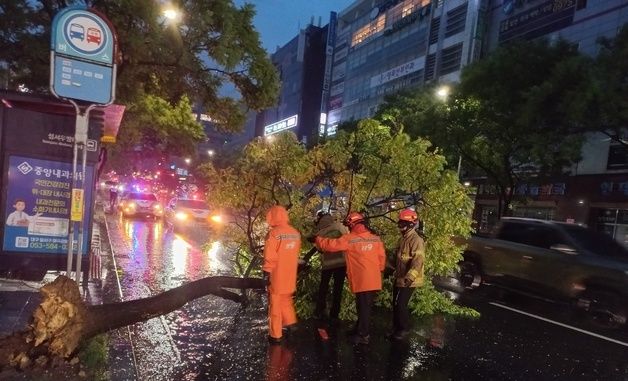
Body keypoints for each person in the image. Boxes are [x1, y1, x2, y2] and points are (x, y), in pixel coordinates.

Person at [313, 212, 385, 345]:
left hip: (362, 279)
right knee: (364, 305)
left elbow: (331, 245)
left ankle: (363, 335)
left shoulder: (350, 239)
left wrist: (317, 239)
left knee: (363, 307)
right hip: (373, 278)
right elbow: (381, 259)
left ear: (352, 224)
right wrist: (377, 271)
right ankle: (359, 329)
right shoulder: (375, 239)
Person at [262, 205, 302, 344]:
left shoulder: (274, 233)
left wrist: (266, 272)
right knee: (286, 300)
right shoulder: (295, 233)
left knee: (275, 305)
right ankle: (291, 324)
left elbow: (270, 255)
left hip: (277, 275)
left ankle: (276, 335)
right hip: (290, 274)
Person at [390, 209, 425, 340]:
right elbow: (398, 258)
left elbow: (418, 261)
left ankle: (404, 329)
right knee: (395, 303)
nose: (400, 226)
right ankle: (396, 328)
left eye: (402, 224)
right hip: (399, 278)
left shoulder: (416, 240)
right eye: (399, 223)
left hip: (410, 280)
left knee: (401, 304)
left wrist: (410, 277)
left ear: (411, 224)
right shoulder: (403, 239)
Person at [313, 211, 348, 321]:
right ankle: (334, 314)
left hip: (328, 264)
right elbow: (348, 240)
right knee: (338, 289)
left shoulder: (320, 232)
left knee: (323, 287)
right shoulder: (340, 227)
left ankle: (319, 310)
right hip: (341, 263)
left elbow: (319, 249)